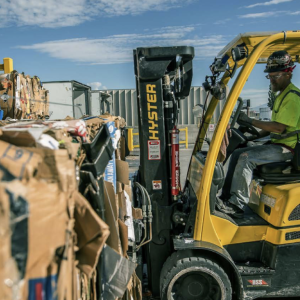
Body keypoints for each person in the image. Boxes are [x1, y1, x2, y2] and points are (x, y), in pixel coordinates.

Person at [217, 50, 300, 218]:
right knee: (239, 152)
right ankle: (226, 198)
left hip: (289, 149)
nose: (271, 79)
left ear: (288, 74)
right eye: (269, 76)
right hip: (279, 144)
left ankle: (237, 205)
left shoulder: (292, 97)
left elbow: (278, 128)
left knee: (246, 157)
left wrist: (250, 121)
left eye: (275, 76)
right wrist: (250, 137)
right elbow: (271, 128)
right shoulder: (281, 96)